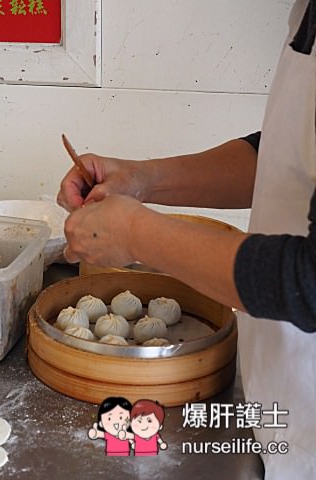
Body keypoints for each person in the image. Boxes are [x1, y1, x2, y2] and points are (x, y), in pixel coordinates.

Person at [58, 1, 315, 478]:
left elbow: (311, 279)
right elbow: (288, 154)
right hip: (281, 407)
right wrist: (143, 179)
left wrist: (136, 233)